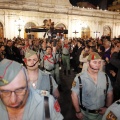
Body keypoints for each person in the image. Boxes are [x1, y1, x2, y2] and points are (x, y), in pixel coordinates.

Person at [71, 52, 113, 120]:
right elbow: (74, 95)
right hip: (85, 114)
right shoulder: (79, 78)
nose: (98, 65)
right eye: (95, 62)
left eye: (99, 62)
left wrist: (107, 107)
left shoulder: (105, 77)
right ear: (88, 63)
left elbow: (110, 93)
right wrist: (78, 111)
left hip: (101, 114)